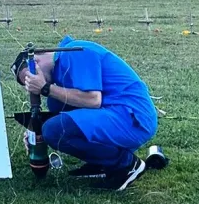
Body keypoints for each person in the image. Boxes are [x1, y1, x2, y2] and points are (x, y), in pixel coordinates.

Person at [13, 35, 158, 191]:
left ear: (36, 62)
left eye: (29, 78)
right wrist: (36, 129)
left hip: (132, 118)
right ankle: (102, 164)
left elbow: (93, 100)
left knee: (55, 130)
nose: (31, 85)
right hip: (118, 115)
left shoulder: (74, 52)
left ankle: (125, 165)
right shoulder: (63, 66)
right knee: (55, 103)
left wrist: (45, 88)